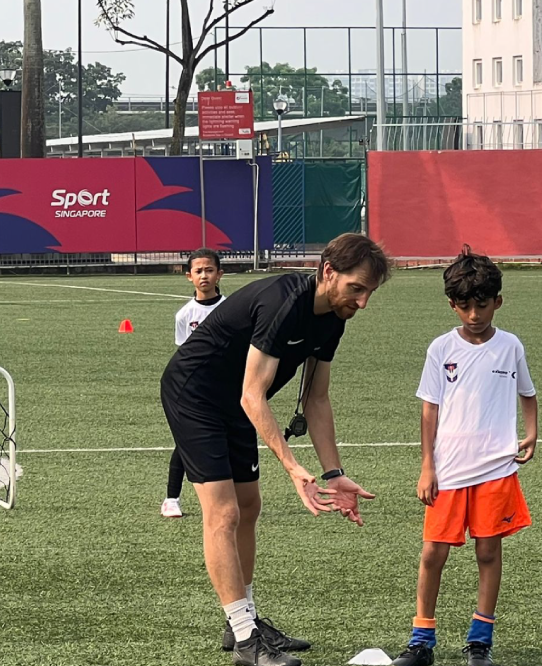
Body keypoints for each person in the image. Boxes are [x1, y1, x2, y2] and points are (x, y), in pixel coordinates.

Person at [159, 233, 391, 666]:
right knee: (223, 513)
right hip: (195, 395)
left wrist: (334, 473)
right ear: (328, 272)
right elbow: (253, 394)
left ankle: (241, 621)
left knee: (249, 506)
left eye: (369, 293)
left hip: (235, 401)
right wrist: (292, 466)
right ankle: (246, 640)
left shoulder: (334, 318)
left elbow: (316, 399)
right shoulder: (283, 302)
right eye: (356, 288)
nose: (362, 303)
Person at [391, 248, 538, 666]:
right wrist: (427, 466)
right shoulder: (441, 348)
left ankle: (479, 641)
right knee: (433, 554)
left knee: (488, 553)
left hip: (496, 469)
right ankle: (421, 640)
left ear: (498, 302)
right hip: (449, 469)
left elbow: (528, 393)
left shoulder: (510, 346)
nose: (474, 314)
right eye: (464, 305)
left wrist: (531, 432)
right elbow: (429, 409)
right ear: (451, 305)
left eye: (482, 304)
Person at [161, 248, 226, 519]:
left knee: (228, 440)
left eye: (209, 270)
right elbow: (184, 356)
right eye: (198, 271)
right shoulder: (185, 315)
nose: (204, 276)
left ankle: (228, 494)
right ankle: (171, 499)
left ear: (220, 274)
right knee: (187, 441)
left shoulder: (231, 309)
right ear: (189, 276)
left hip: (226, 387)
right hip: (195, 391)